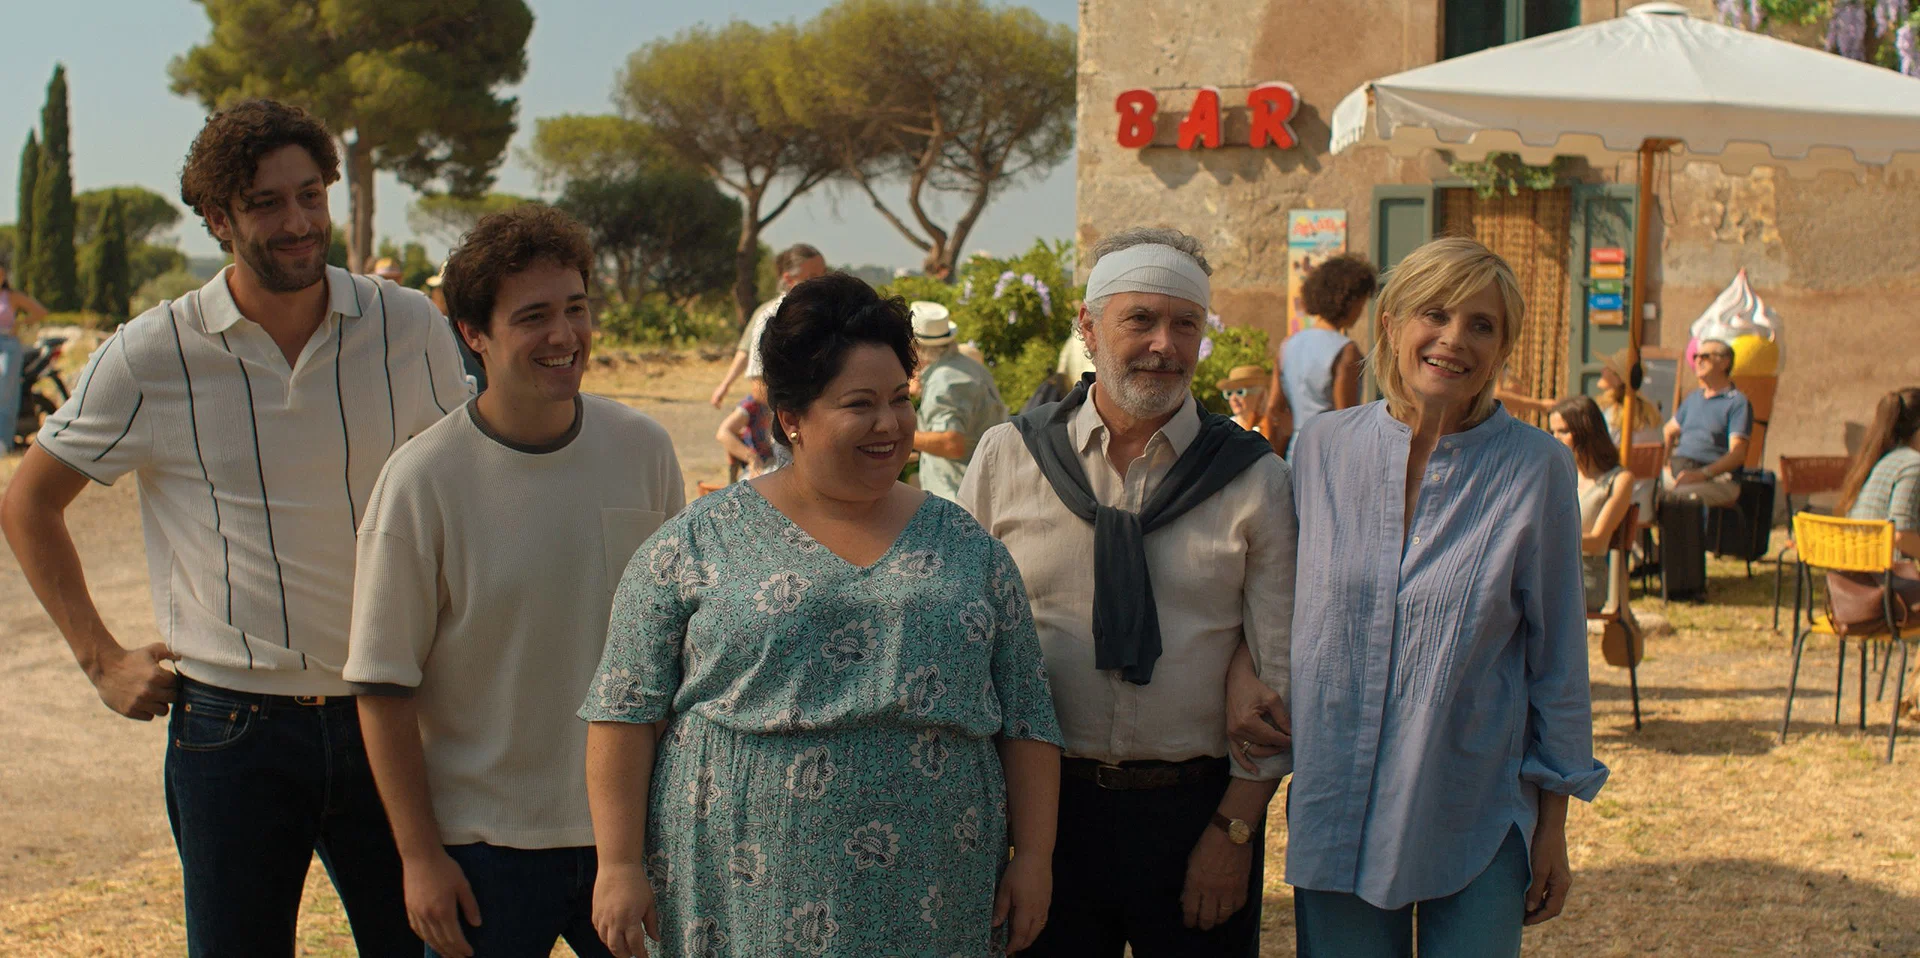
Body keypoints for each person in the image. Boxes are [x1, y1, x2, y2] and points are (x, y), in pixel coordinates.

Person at [0, 99, 468, 956]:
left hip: (394, 719)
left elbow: (472, 489)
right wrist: (101, 660)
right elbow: (27, 503)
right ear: (218, 217)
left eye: (311, 196)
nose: (297, 223)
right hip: (231, 733)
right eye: (265, 203)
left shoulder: (409, 329)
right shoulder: (151, 354)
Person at [582, 273, 1063, 957]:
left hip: (935, 888)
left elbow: (1025, 714)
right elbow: (624, 710)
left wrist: (1034, 857)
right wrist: (619, 865)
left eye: (900, 399)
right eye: (859, 404)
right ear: (791, 417)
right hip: (741, 887)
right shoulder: (694, 543)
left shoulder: (969, 549)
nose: (891, 424)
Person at [343, 205, 684, 958]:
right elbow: (383, 686)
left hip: (630, 844)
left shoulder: (644, 450)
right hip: (480, 852)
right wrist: (419, 857)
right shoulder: (422, 481)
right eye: (533, 317)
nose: (565, 336)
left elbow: (676, 650)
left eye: (576, 309)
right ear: (473, 334)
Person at [960, 227, 1297, 956]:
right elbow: (960, 632)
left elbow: (1279, 667)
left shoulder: (1252, 477)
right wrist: (1014, 843)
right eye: (1139, 319)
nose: (1163, 345)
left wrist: (1234, 831)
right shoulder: (1009, 457)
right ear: (1088, 326)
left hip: (1195, 812)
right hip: (1042, 816)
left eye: (1186, 325)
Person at [1285, 236, 1607, 957]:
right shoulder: (1319, 451)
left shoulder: (1538, 470)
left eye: (1482, 325)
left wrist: (1553, 827)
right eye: (1435, 313)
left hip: (1475, 808)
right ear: (1392, 323)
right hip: (1337, 803)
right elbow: (1277, 618)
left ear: (1503, 349)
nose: (1455, 339)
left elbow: (1559, 662)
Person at [1833, 387, 1920, 720]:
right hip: (1879, 599)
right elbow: (1901, 535)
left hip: (1845, 593)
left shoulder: (1878, 459)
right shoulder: (1912, 465)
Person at [1264, 252, 1375, 453]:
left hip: (1295, 450)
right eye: (1361, 301)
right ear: (1348, 299)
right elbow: (1345, 419)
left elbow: (1274, 409)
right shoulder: (1346, 350)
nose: (1361, 309)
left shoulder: (1287, 345)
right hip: (1328, 451)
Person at [707, 243, 828, 409]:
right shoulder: (769, 316)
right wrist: (725, 385)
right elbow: (747, 356)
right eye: (812, 277)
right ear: (788, 279)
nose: (821, 283)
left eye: (823, 275)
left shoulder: (831, 313)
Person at [911, 300, 1007, 501]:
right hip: (980, 491)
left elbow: (951, 443)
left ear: (916, 348)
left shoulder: (944, 381)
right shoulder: (964, 367)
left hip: (958, 498)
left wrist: (902, 437)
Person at [1550, 395, 1636, 614]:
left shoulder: (1619, 479)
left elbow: (1598, 541)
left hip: (1585, 578)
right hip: (1547, 572)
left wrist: (1544, 538)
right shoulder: (1556, 474)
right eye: (1552, 432)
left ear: (1585, 432)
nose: (1554, 438)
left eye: (1563, 432)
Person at [1661, 338, 1751, 508]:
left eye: (1705, 356)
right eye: (1696, 356)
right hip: (1679, 471)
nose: (1698, 360)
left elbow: (1737, 454)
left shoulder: (1737, 402)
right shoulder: (1694, 398)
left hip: (1717, 479)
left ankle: (1683, 536)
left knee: (1680, 497)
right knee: (1640, 488)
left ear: (1725, 363)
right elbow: (1668, 430)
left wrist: (1701, 474)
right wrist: (1664, 465)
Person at [0, 259, 51, 453]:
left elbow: (40, 312)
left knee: (6, 390)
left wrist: (20, 324)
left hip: (8, 344)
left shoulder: (11, 297)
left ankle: (3, 441)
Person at [713, 389, 777, 479]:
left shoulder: (779, 401)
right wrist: (752, 458)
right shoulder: (751, 405)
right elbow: (723, 433)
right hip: (763, 468)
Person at [1214, 364, 1271, 435]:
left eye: (1240, 392)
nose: (1233, 398)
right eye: (1229, 393)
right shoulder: (1224, 429)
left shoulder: (1273, 427)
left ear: (1261, 394)